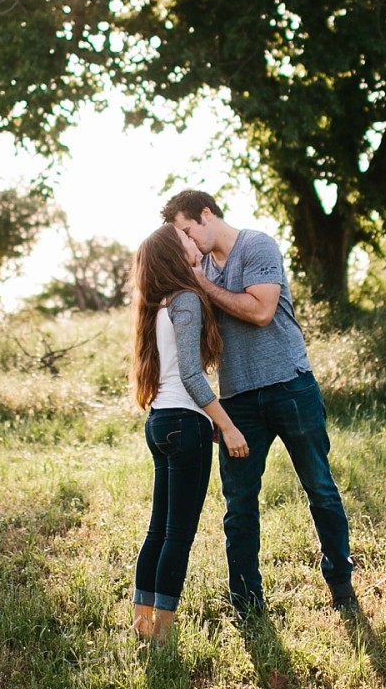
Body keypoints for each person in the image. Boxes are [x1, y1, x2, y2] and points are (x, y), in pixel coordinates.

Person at [161, 189, 357, 617]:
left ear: (207, 214)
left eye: (188, 230)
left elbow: (260, 311)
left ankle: (341, 585)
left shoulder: (257, 245)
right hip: (239, 401)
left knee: (320, 488)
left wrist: (201, 284)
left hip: (291, 386)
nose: (187, 242)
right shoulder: (203, 269)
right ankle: (246, 602)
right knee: (240, 505)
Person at [129, 223, 251, 642]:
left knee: (158, 530)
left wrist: (207, 425)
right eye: (182, 238)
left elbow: (175, 379)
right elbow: (193, 378)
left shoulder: (157, 305)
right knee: (177, 534)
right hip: (184, 426)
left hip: (160, 423)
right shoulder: (186, 299)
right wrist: (228, 426)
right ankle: (162, 634)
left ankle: (143, 624)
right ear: (173, 253)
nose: (190, 240)